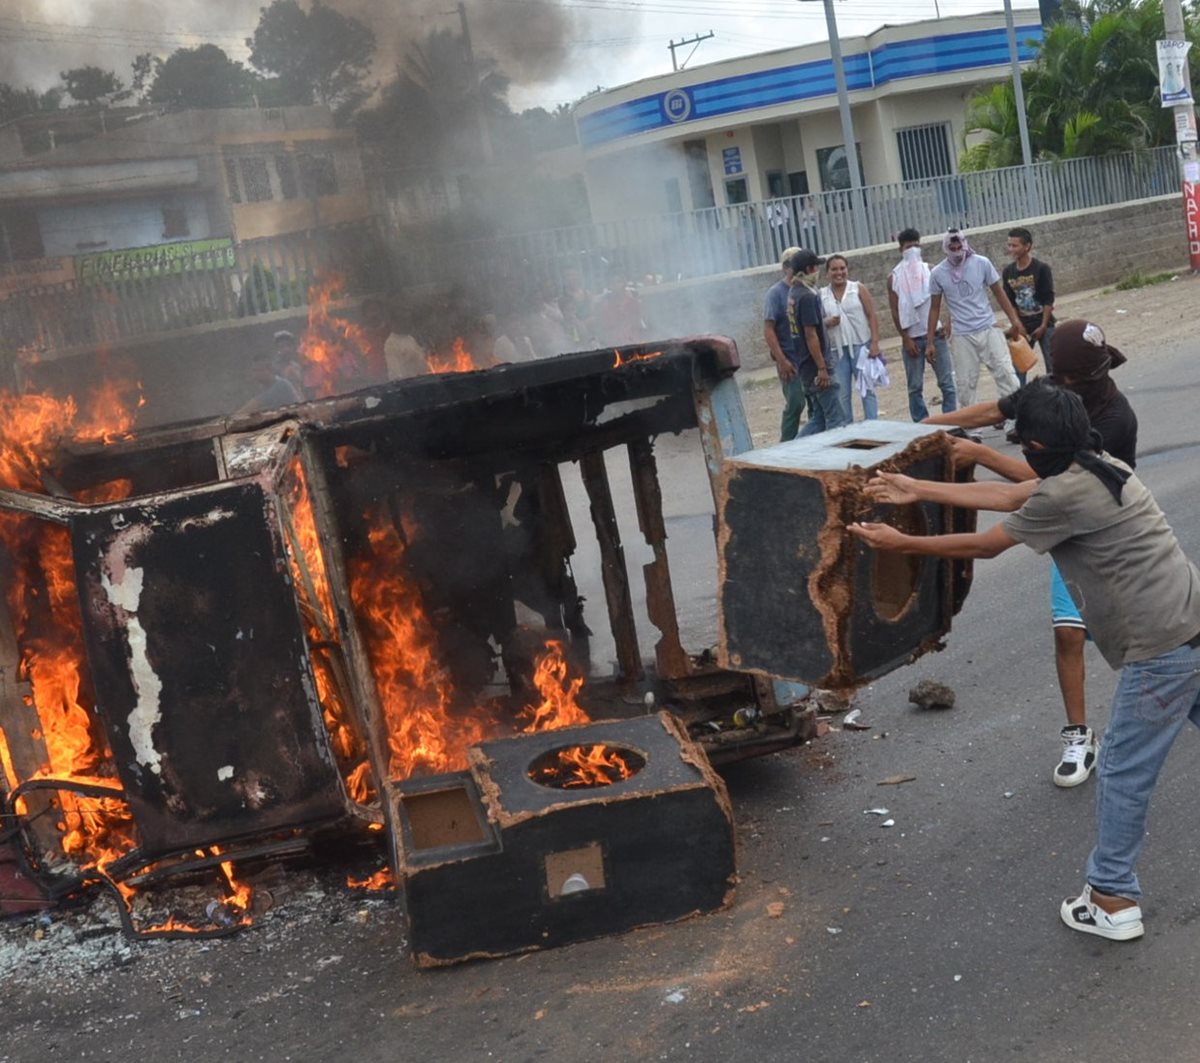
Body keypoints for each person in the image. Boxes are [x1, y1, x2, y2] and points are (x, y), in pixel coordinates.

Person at [850, 378, 1200, 942]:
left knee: (1121, 771)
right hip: (1192, 626)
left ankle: (1111, 899)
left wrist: (902, 543)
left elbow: (989, 542)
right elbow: (1014, 496)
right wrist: (918, 489)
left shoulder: (1065, 495)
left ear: (1036, 447)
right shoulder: (1098, 463)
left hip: (1160, 652)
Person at [925, 319, 1138, 787]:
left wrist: (976, 458)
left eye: (1063, 378)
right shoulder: (1052, 394)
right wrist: (923, 428)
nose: (1054, 382)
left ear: (1085, 378)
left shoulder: (1114, 421)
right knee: (1069, 635)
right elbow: (995, 410)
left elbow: (1027, 491)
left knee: (1141, 643)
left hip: (1108, 541)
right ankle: (1080, 736)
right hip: (1064, 529)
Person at [927, 228, 1025, 408]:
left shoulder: (981, 263)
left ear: (964, 244)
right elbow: (934, 308)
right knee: (965, 385)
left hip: (988, 327)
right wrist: (930, 341)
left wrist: (1014, 320)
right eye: (952, 247)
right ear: (946, 248)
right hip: (962, 335)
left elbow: (999, 293)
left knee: (1007, 376)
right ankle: (973, 432)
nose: (957, 249)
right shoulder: (938, 273)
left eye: (959, 245)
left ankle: (1014, 421)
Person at [886, 228, 958, 422]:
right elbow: (894, 310)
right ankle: (922, 423)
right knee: (915, 387)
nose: (913, 250)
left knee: (947, 383)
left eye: (916, 246)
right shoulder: (894, 277)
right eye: (909, 247)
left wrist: (950, 321)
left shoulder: (931, 270)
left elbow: (949, 295)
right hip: (913, 339)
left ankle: (950, 420)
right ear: (901, 249)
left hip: (936, 334)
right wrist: (905, 338)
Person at [785, 247, 846, 436]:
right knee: (836, 417)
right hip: (816, 367)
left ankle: (797, 450)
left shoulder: (794, 294)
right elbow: (810, 334)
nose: (817, 272)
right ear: (809, 269)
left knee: (819, 418)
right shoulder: (807, 296)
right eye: (815, 268)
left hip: (805, 365)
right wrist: (822, 368)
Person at [819, 254, 884, 423]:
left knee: (867, 389)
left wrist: (875, 342)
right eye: (834, 269)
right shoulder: (822, 295)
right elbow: (817, 323)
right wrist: (827, 322)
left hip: (861, 346)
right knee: (842, 394)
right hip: (836, 351)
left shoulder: (857, 288)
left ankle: (873, 425)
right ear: (827, 273)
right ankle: (847, 429)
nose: (839, 273)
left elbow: (871, 315)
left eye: (842, 268)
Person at [764, 245, 809, 441]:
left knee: (816, 404)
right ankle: (787, 444)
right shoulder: (776, 293)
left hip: (808, 358)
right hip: (790, 360)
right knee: (796, 403)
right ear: (785, 268)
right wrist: (781, 360)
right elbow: (769, 329)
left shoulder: (807, 288)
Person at [1002, 227, 1057, 377]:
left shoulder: (1041, 269)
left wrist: (1044, 326)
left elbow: (1048, 299)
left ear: (1027, 246)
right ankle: (1021, 398)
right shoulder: (1008, 272)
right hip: (1022, 325)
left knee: (1053, 366)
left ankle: (1056, 397)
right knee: (1019, 368)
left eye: (1015, 245)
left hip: (1043, 322)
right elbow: (1010, 302)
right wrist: (1018, 325)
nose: (1011, 249)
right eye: (1009, 245)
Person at [236, 345, 304, 415]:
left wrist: (232, 419)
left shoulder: (280, 385)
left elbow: (253, 405)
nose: (255, 374)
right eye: (253, 371)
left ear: (269, 369)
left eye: (258, 370)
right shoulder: (264, 386)